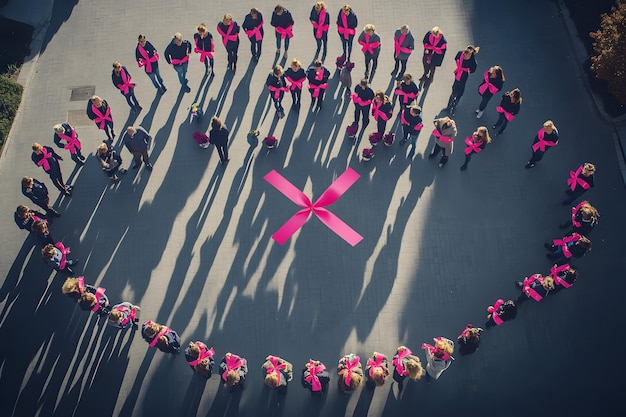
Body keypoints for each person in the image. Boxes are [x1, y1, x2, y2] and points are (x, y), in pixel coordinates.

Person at [446, 45, 479, 113]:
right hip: (458, 73)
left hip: (464, 75)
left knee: (460, 89)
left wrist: (465, 70)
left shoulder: (472, 61)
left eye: (467, 55)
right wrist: (459, 66)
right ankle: (449, 105)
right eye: (464, 54)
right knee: (454, 87)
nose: (464, 56)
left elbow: (472, 70)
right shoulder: (460, 53)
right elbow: (456, 58)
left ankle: (455, 104)